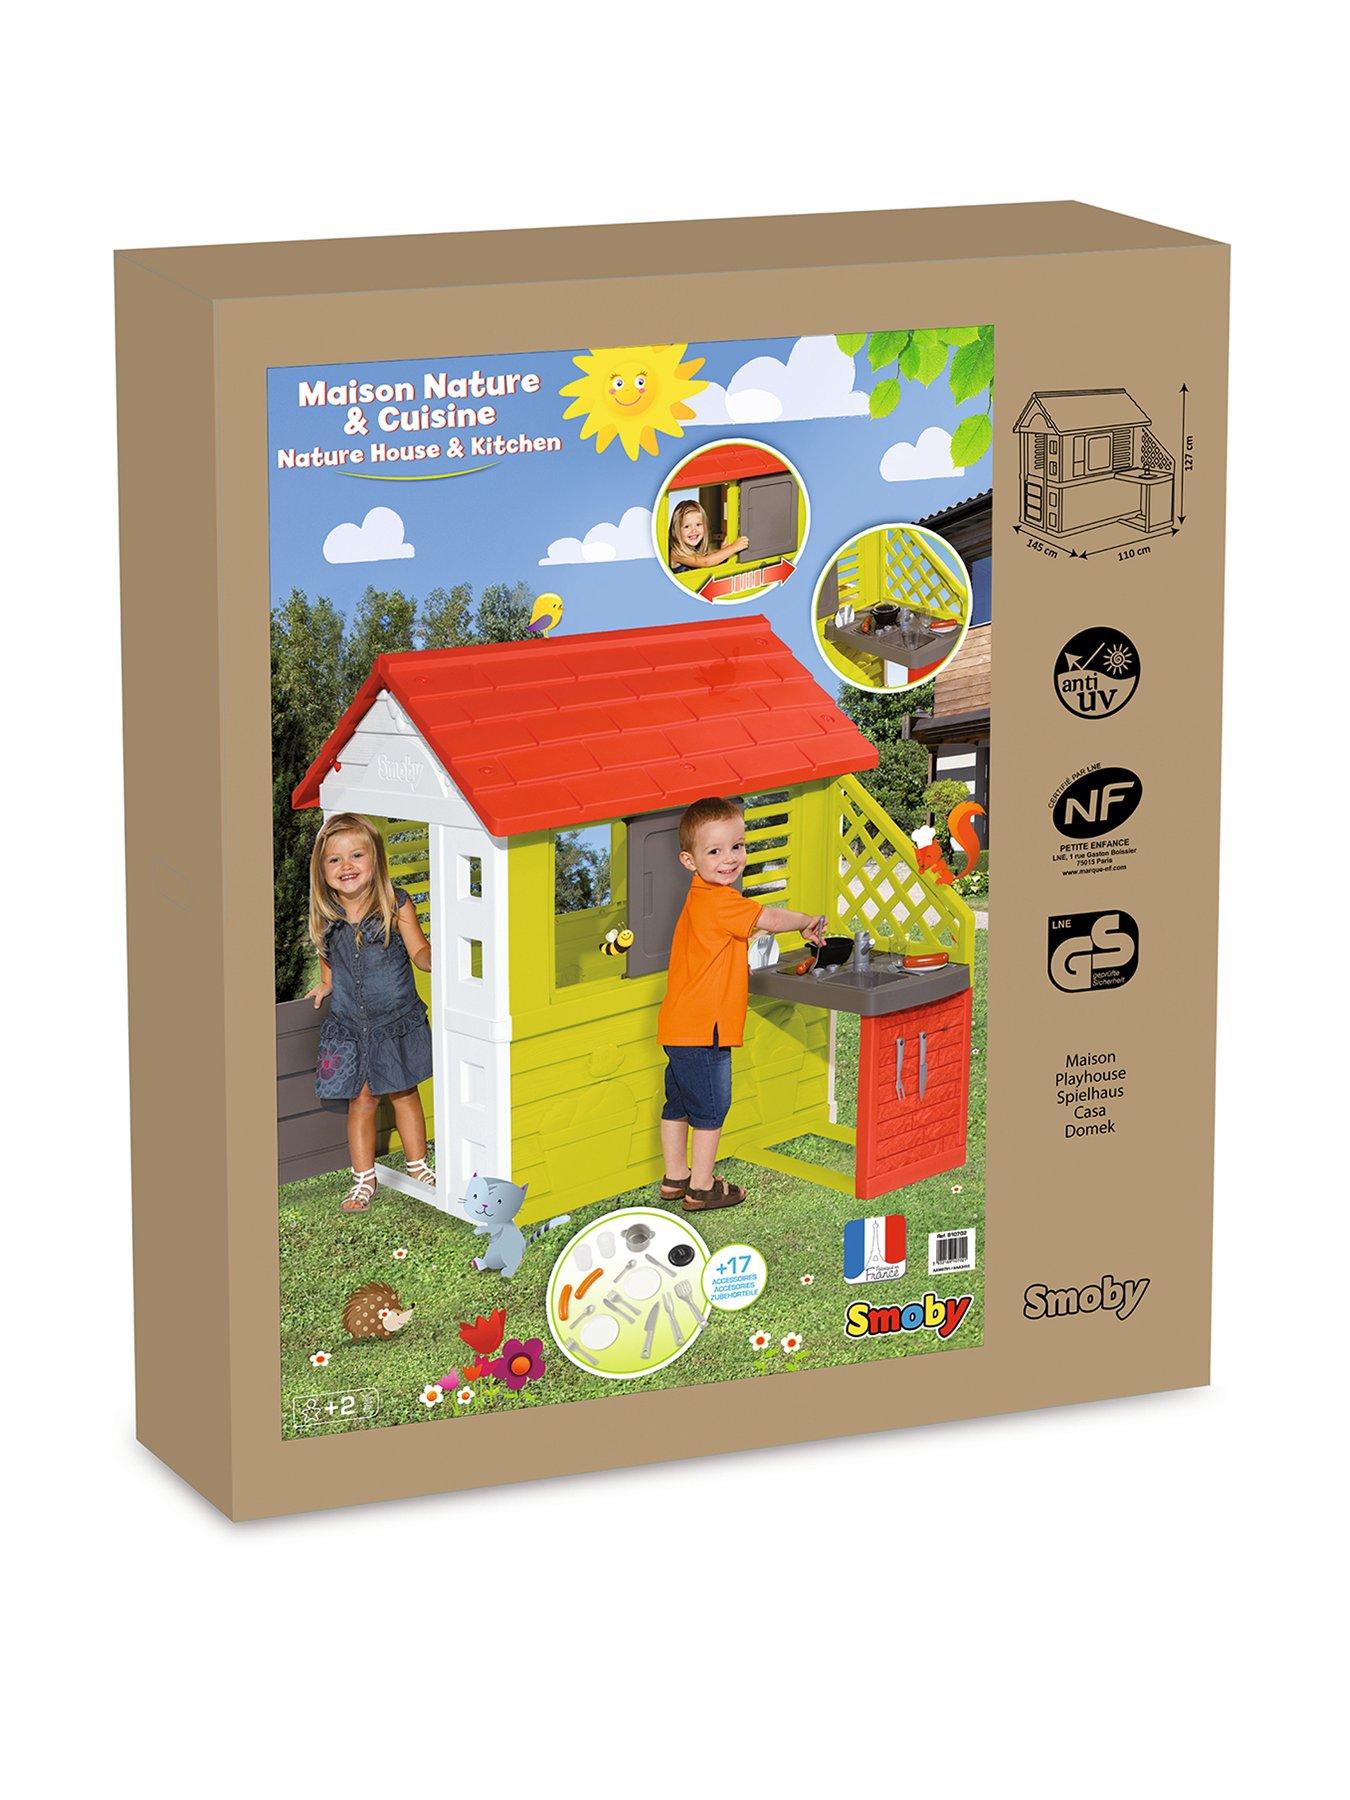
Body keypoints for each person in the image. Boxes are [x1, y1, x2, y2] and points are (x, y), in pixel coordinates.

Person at [655, 797, 826, 1210]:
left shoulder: (701, 898)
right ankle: (701, 1187)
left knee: (679, 1103)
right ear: (689, 860)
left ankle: (675, 1177)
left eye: (737, 846)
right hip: (705, 1030)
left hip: (678, 1026)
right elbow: (770, 919)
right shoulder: (721, 901)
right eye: (715, 851)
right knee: (712, 1108)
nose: (730, 859)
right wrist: (806, 922)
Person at [304, 813, 435, 1213]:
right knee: (360, 1101)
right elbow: (327, 955)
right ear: (322, 869)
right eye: (335, 859)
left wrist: (437, 959)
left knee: (404, 1093)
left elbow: (419, 950)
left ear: (375, 858)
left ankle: (418, 1167)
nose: (346, 866)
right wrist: (327, 982)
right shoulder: (327, 916)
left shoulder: (395, 903)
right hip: (350, 1025)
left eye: (356, 855)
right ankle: (364, 1178)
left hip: (394, 1020)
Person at [667, 498, 749, 572]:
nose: (694, 530)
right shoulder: (676, 553)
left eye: (698, 524)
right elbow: (705, 562)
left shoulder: (695, 548)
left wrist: (723, 550)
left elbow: (707, 557)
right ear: (676, 530)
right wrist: (733, 547)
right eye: (686, 527)